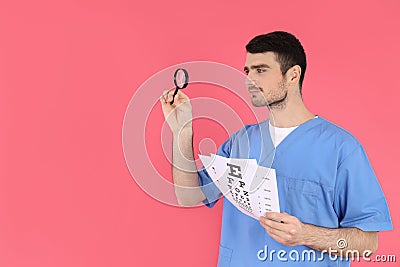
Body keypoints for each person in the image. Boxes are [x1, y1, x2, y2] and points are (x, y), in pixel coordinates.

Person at [160, 31, 392, 266]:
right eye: (247, 71)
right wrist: (181, 130)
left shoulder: (341, 149)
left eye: (260, 70)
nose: (249, 79)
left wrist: (306, 235)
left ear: (293, 75)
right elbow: (188, 196)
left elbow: (367, 244)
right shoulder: (241, 142)